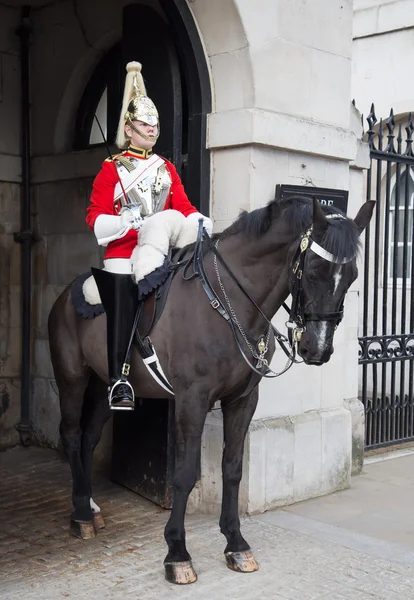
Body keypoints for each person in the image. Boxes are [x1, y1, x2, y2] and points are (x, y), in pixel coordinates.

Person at [86, 61, 212, 410]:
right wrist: (124, 221)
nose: (152, 129)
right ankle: (119, 380)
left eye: (155, 124)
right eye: (144, 123)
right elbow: (95, 220)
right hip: (123, 255)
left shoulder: (166, 168)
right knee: (126, 296)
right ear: (128, 128)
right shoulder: (111, 170)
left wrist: (201, 220)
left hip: (160, 253)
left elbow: (183, 205)